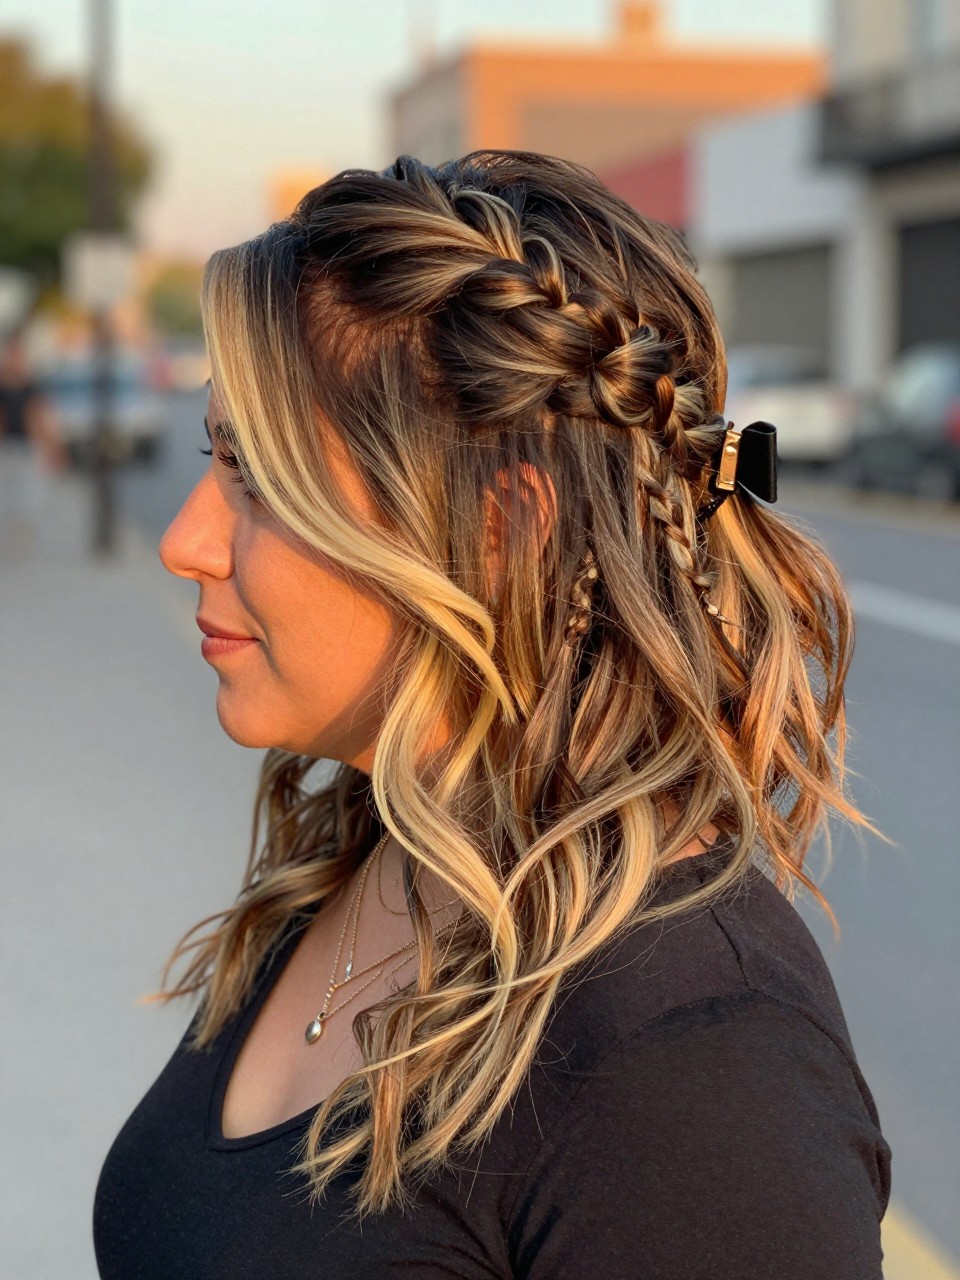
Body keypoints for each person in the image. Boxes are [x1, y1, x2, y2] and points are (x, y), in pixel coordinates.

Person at [93, 151, 891, 1278]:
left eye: (257, 476)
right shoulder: (381, 852)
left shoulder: (689, 1063)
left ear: (498, 532)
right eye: (209, 453)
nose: (184, 539)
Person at [0, 324, 68, 557]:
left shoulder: (31, 387)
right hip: (6, 448)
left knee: (28, 496)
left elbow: (40, 417)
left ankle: (23, 539)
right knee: (6, 496)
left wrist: (53, 447)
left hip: (26, 448)